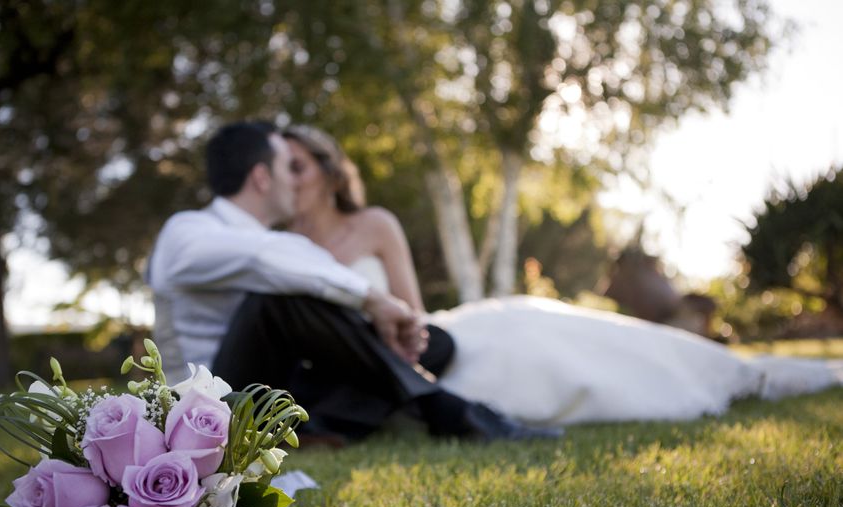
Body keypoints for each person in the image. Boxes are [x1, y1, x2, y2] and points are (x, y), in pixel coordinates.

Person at [283, 124, 843, 424]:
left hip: (424, 340)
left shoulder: (374, 224)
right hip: (370, 368)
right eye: (281, 169)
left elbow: (408, 305)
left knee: (538, 333)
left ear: (331, 173)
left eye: (298, 166)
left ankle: (727, 371)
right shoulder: (280, 245)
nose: (290, 179)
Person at [146, 120, 562, 441]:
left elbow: (287, 260)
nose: (293, 179)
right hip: (209, 404)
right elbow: (264, 259)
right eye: (285, 168)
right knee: (272, 302)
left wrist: (380, 312)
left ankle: (320, 429)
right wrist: (374, 299)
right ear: (261, 178)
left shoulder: (282, 244)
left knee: (428, 344)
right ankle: (449, 412)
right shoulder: (187, 230)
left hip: (284, 387)